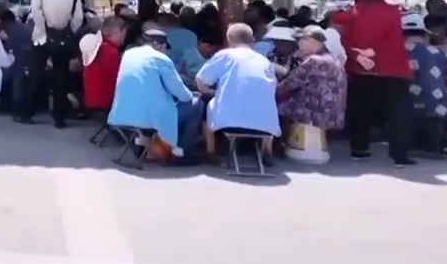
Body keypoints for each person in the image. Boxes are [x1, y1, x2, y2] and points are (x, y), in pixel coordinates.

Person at [341, 0, 414, 166]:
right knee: (399, 110)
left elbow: (346, 39)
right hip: (391, 65)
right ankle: (399, 154)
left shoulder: (353, 12)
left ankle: (359, 148)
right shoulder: (392, 10)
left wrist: (357, 55)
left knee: (360, 108)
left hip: (361, 65)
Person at [108, 25, 204, 164]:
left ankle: (142, 144)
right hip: (148, 118)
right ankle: (181, 153)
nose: (166, 51)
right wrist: (193, 94)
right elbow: (182, 94)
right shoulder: (161, 59)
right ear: (159, 45)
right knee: (196, 104)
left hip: (119, 114)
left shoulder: (128, 55)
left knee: (151, 104)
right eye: (165, 47)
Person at [195, 23, 281, 161]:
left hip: (228, 122)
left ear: (229, 39)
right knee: (268, 102)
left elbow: (200, 80)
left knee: (205, 104)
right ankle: (267, 152)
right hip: (266, 126)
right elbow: (272, 89)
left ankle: (210, 151)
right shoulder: (264, 61)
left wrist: (211, 93)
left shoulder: (225, 55)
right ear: (252, 39)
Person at [24, 0, 85, 128]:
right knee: (61, 77)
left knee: (35, 74)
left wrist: (41, 29)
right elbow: (78, 17)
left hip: (42, 36)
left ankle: (27, 113)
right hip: (63, 37)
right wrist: (69, 31)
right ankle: (59, 118)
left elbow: (35, 9)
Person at [276, 25, 346, 133]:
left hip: (316, 113)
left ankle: (278, 141)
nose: (298, 43)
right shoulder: (333, 58)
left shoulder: (314, 61)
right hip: (333, 114)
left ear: (312, 41)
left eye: (301, 39)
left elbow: (288, 85)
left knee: (276, 107)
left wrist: (270, 91)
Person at [79, 16, 125, 112]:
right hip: (105, 102)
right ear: (119, 32)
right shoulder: (111, 52)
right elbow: (119, 78)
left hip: (90, 100)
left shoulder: (94, 48)